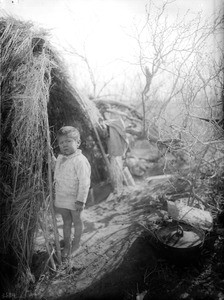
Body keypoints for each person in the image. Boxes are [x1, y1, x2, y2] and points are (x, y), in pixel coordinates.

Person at [53, 126, 91, 258]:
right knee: (66, 221)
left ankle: (76, 244)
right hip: (63, 197)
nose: (65, 145)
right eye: (61, 143)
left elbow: (85, 182)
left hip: (75, 199)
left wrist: (81, 200)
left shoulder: (80, 160)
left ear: (78, 143)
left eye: (68, 141)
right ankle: (67, 244)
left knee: (77, 220)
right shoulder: (60, 158)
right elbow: (56, 169)